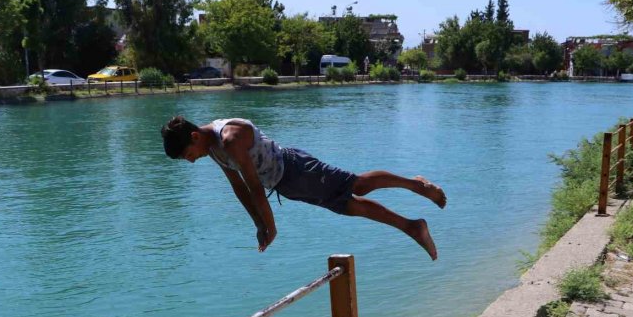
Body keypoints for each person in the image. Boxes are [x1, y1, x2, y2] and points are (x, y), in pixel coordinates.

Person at [161, 116, 446, 259]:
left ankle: (415, 184)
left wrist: (271, 227)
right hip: (288, 185)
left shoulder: (230, 139)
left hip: (296, 169)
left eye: (188, 155)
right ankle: (412, 227)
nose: (191, 161)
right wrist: (259, 224)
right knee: (350, 205)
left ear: (195, 137)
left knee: (357, 185)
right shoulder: (211, 148)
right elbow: (239, 188)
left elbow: (255, 188)